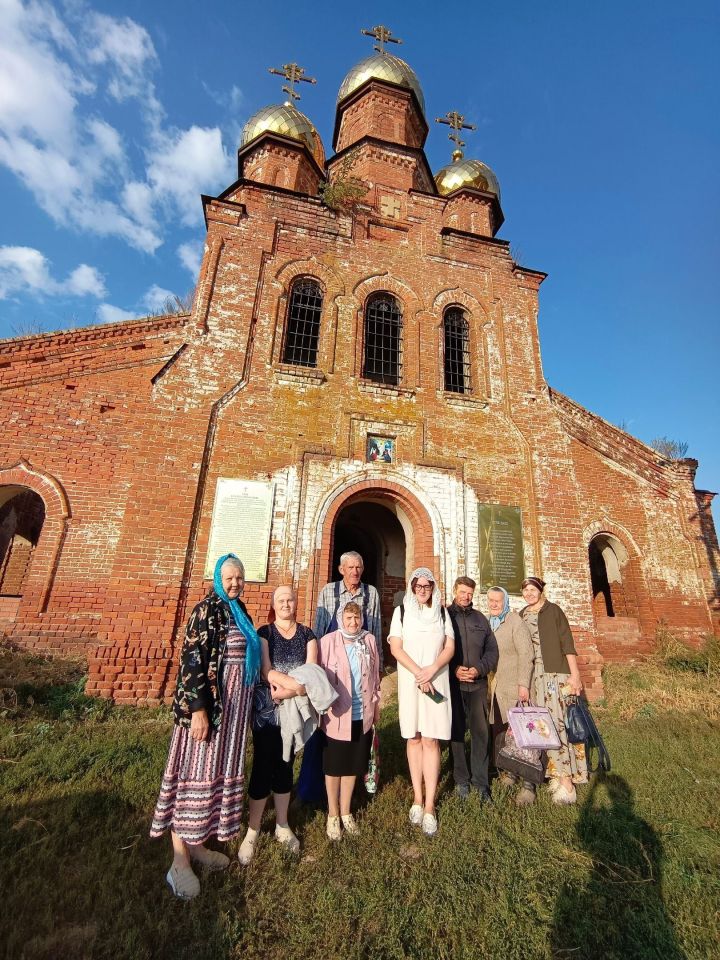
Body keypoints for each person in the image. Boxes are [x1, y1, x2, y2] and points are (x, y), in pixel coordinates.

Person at [150, 554, 260, 899]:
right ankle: (179, 861)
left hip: (233, 717)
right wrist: (198, 709)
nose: (234, 583)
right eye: (228, 578)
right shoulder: (206, 609)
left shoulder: (239, 611)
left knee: (214, 774)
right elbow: (192, 658)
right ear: (217, 578)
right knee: (194, 774)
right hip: (210, 713)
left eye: (239, 578)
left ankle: (199, 844)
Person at [238, 585, 318, 865]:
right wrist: (295, 686)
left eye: (291, 599)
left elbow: (311, 671)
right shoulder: (265, 633)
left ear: (297, 603)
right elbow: (265, 670)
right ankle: (253, 829)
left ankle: (282, 825)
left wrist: (289, 691)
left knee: (285, 765)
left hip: (293, 710)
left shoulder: (308, 634)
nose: (286, 604)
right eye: (281, 600)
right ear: (274, 605)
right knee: (262, 765)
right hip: (266, 712)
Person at [388, 567, 454, 836]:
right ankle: (417, 796)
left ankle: (430, 805)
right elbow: (395, 647)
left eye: (427, 586)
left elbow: (450, 646)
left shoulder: (441, 612)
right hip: (411, 681)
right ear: (412, 587)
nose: (423, 590)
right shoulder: (401, 612)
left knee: (431, 739)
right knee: (414, 738)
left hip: (436, 680)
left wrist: (432, 669)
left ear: (433, 587)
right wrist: (419, 673)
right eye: (418, 586)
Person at [520, 576, 588, 804]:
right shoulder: (523, 615)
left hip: (554, 674)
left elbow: (567, 643)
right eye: (525, 590)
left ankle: (567, 783)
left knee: (559, 724)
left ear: (540, 590)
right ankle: (556, 774)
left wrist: (575, 675)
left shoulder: (553, 611)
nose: (529, 593)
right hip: (534, 676)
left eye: (532, 589)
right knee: (543, 726)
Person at [318, 601, 381, 839]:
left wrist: (376, 707)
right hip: (337, 716)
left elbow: (375, 676)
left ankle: (346, 812)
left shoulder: (369, 640)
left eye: (357, 618)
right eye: (348, 618)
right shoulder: (328, 642)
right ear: (340, 619)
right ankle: (332, 814)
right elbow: (319, 678)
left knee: (353, 765)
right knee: (335, 766)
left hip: (361, 713)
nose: (353, 623)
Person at [447, 576, 499, 801]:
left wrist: (479, 669)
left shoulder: (481, 620)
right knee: (456, 733)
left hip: (477, 685)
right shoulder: (445, 617)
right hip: (454, 684)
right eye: (462, 592)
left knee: (480, 733)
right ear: (454, 591)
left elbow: (492, 651)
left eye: (470, 593)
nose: (466, 596)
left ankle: (481, 782)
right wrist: (454, 668)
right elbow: (437, 648)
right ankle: (461, 780)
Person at [486, 585, 535, 804]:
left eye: (498, 600)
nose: (494, 604)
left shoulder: (515, 621)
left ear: (505, 602)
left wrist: (524, 684)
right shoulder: (490, 623)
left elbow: (527, 653)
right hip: (497, 688)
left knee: (523, 735)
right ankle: (511, 773)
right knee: (505, 732)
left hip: (516, 686)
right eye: (491, 600)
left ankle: (528, 784)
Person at [315, 551, 382, 669]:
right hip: (333, 659)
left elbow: (376, 630)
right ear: (341, 569)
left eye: (358, 567)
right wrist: (315, 664)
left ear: (362, 569)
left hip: (362, 659)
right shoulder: (328, 590)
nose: (355, 572)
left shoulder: (371, 592)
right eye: (351, 567)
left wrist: (378, 665)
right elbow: (319, 629)